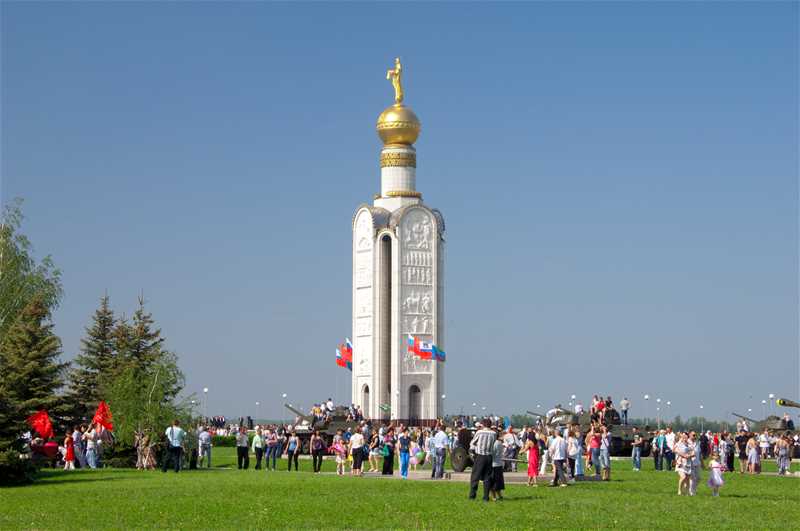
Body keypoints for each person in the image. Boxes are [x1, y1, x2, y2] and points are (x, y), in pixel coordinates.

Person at [468, 423, 496, 501]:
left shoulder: (479, 432)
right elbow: (493, 443)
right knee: (487, 477)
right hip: (489, 456)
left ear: (483, 425)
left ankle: (472, 495)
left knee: (475, 476)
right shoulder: (494, 433)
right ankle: (486, 497)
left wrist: (474, 449)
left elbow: (472, 443)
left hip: (480, 456)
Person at [490, 428, 505, 501]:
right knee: (498, 482)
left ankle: (494, 497)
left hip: (493, 464)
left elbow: (491, 454)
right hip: (499, 464)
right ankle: (500, 495)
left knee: (492, 482)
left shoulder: (493, 444)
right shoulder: (500, 443)